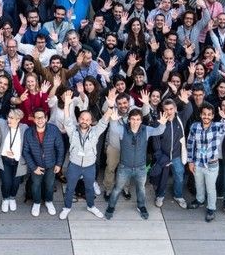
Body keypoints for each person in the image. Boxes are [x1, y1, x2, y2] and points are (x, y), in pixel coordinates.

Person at [106, 106, 167, 220]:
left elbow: (158, 131)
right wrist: (113, 120)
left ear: (141, 120)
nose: (135, 122)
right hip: (124, 167)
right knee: (117, 188)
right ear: (129, 119)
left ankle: (141, 206)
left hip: (140, 168)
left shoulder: (146, 130)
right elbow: (114, 129)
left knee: (141, 189)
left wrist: (163, 123)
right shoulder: (122, 129)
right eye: (133, 119)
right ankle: (111, 206)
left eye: (138, 119)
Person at [59, 89, 108, 219]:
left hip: (89, 166)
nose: (84, 121)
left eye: (87, 119)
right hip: (74, 165)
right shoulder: (72, 131)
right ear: (79, 119)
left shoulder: (95, 132)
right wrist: (67, 104)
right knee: (70, 188)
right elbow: (67, 120)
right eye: (82, 118)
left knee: (89, 188)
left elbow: (104, 122)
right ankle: (67, 207)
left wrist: (111, 106)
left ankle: (91, 206)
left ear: (91, 121)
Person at [185, 103, 225, 222]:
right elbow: (190, 144)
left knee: (210, 188)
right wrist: (190, 161)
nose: (206, 116)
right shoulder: (195, 126)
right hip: (198, 162)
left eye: (209, 115)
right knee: (198, 184)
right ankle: (199, 200)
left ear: (213, 116)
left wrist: (224, 117)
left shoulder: (217, 126)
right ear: (200, 115)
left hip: (211, 164)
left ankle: (211, 208)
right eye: (204, 114)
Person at [23, 107, 65, 217]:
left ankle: (48, 201)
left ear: (46, 118)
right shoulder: (28, 132)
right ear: (34, 119)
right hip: (36, 165)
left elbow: (60, 148)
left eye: (42, 117)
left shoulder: (54, 130)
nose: (39, 120)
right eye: (37, 118)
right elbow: (25, 152)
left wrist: (59, 164)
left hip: (51, 164)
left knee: (50, 184)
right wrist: (33, 167)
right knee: (36, 185)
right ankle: (36, 203)